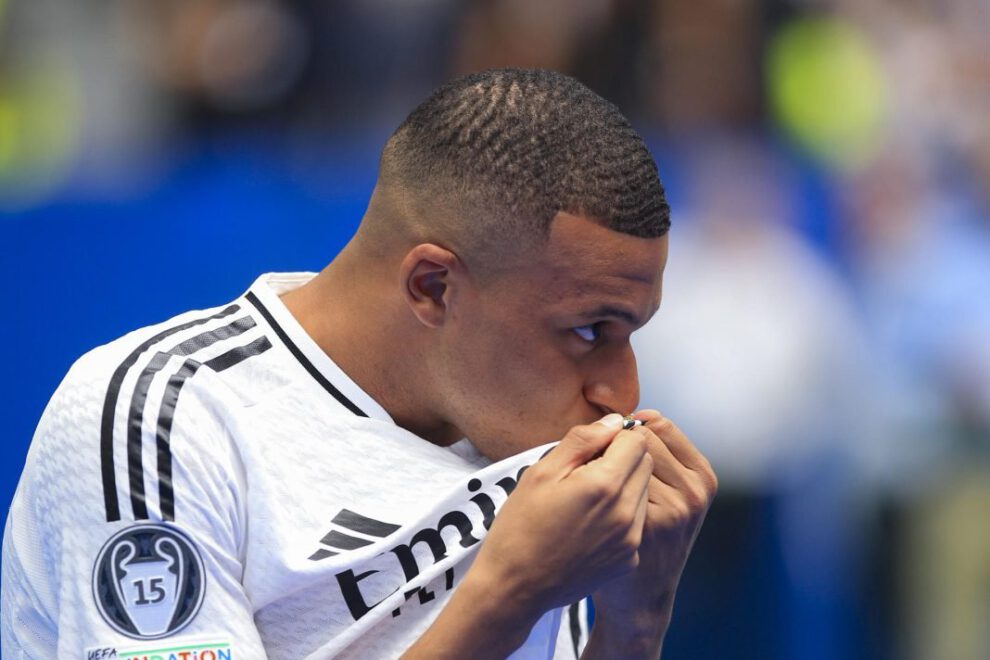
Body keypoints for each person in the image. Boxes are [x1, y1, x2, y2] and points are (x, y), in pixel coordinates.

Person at [1, 68, 717, 659]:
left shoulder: (524, 447)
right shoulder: (159, 417)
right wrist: (508, 594)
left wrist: (635, 621)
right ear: (433, 287)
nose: (621, 391)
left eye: (631, 335)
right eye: (590, 331)